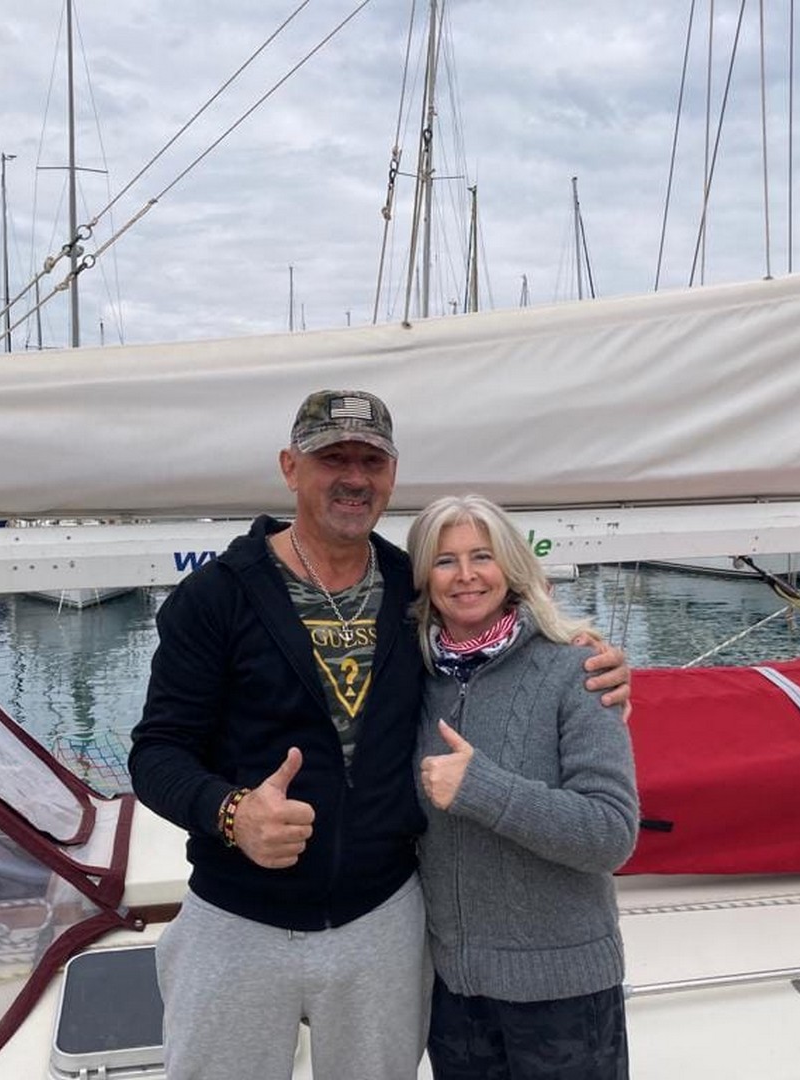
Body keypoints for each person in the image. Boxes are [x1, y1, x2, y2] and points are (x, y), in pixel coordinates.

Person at [128, 390, 631, 1080]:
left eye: (371, 460)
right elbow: (157, 753)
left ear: (392, 473)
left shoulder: (411, 590)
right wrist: (232, 812)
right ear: (290, 467)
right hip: (238, 917)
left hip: (381, 920)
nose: (354, 477)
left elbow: (498, 631)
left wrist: (588, 656)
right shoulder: (217, 597)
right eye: (332, 458)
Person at [409, 493, 639, 1080]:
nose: (465, 575)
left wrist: (482, 788)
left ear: (510, 566)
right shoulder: (412, 679)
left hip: (563, 995)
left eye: (481, 556)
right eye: (445, 560)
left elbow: (611, 833)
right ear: (425, 578)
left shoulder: (576, 669)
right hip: (455, 997)